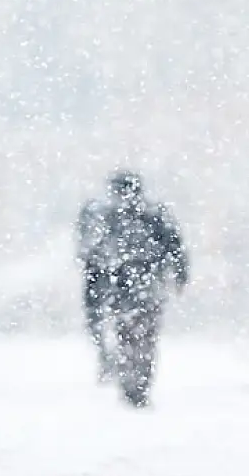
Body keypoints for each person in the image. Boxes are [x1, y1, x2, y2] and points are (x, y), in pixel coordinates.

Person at [79, 170, 189, 405]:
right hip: (146, 287)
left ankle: (133, 382)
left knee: (129, 337)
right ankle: (137, 383)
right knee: (142, 339)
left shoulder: (110, 217)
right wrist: (179, 275)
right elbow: (175, 246)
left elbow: (93, 255)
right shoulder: (152, 215)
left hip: (125, 289)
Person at [75, 195, 112, 382]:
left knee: (96, 321)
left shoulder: (96, 212)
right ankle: (111, 357)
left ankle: (107, 356)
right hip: (119, 281)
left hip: (97, 277)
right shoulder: (147, 214)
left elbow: (84, 247)